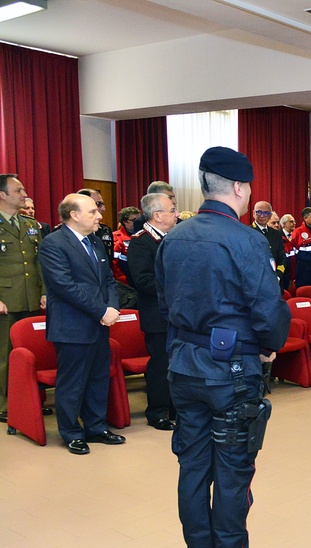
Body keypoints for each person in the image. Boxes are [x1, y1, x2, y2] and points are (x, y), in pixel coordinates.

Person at [155, 146, 290, 548]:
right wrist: (269, 348)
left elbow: (164, 304)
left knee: (192, 470)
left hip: (184, 370)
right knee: (232, 473)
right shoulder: (247, 240)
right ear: (238, 187)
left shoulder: (174, 237)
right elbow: (268, 311)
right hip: (231, 374)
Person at [39, 193, 124, 455]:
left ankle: (96, 427)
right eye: (92, 212)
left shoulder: (96, 242)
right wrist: (101, 310)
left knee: (98, 379)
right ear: (73, 215)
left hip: (99, 324)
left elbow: (108, 280)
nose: (99, 216)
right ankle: (71, 432)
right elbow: (65, 286)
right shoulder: (53, 244)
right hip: (72, 326)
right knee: (73, 382)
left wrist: (112, 308)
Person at [127, 192, 178, 429]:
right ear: (157, 215)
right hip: (157, 314)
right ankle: (157, 412)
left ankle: (175, 408)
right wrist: (178, 285)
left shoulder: (174, 237)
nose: (176, 214)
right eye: (171, 210)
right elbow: (143, 280)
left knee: (178, 364)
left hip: (178, 313)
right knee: (161, 365)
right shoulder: (141, 241)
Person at [0, 174, 46, 424]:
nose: (24, 193)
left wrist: (44, 291)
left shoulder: (30, 224)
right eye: (18, 190)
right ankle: (6, 404)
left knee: (33, 352)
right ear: (2, 195)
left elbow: (39, 262)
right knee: (5, 355)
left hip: (31, 297)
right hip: (6, 299)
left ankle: (32, 399)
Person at [250, 201, 286, 281]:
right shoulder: (247, 233)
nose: (262, 216)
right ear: (253, 213)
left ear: (270, 216)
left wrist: (278, 276)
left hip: (275, 281)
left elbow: (282, 258)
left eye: (266, 213)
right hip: (255, 282)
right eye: (259, 212)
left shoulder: (276, 234)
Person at [112, 206, 140, 284]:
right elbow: (114, 263)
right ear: (125, 222)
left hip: (140, 279)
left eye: (139, 220)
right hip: (124, 281)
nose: (137, 223)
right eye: (134, 220)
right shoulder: (115, 238)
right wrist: (123, 280)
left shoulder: (143, 236)